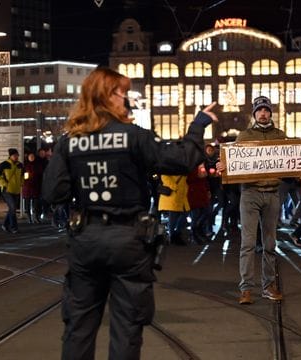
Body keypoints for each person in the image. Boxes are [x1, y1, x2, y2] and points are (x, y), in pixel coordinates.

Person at [41, 67, 217, 359]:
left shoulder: (69, 141)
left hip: (86, 237)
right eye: (123, 94)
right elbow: (183, 160)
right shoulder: (133, 136)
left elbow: (53, 193)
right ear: (108, 97)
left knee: (79, 326)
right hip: (128, 239)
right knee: (126, 326)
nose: (127, 101)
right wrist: (198, 125)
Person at [217, 95, 286, 305]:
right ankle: (246, 288)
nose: (263, 113)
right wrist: (224, 167)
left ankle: (268, 286)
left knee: (270, 243)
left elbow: (290, 161)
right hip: (250, 194)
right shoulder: (244, 136)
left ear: (270, 113)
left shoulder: (280, 136)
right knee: (247, 243)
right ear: (254, 114)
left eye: (266, 110)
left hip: (272, 192)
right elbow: (233, 163)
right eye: (260, 110)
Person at [0, 148, 24, 233]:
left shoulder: (20, 165)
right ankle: (13, 227)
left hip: (16, 190)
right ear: (10, 156)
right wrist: (4, 183)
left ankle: (5, 225)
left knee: (12, 208)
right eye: (14, 155)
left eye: (17, 155)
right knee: (13, 207)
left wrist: (22, 182)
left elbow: (23, 175)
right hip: (7, 190)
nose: (16, 157)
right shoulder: (4, 164)